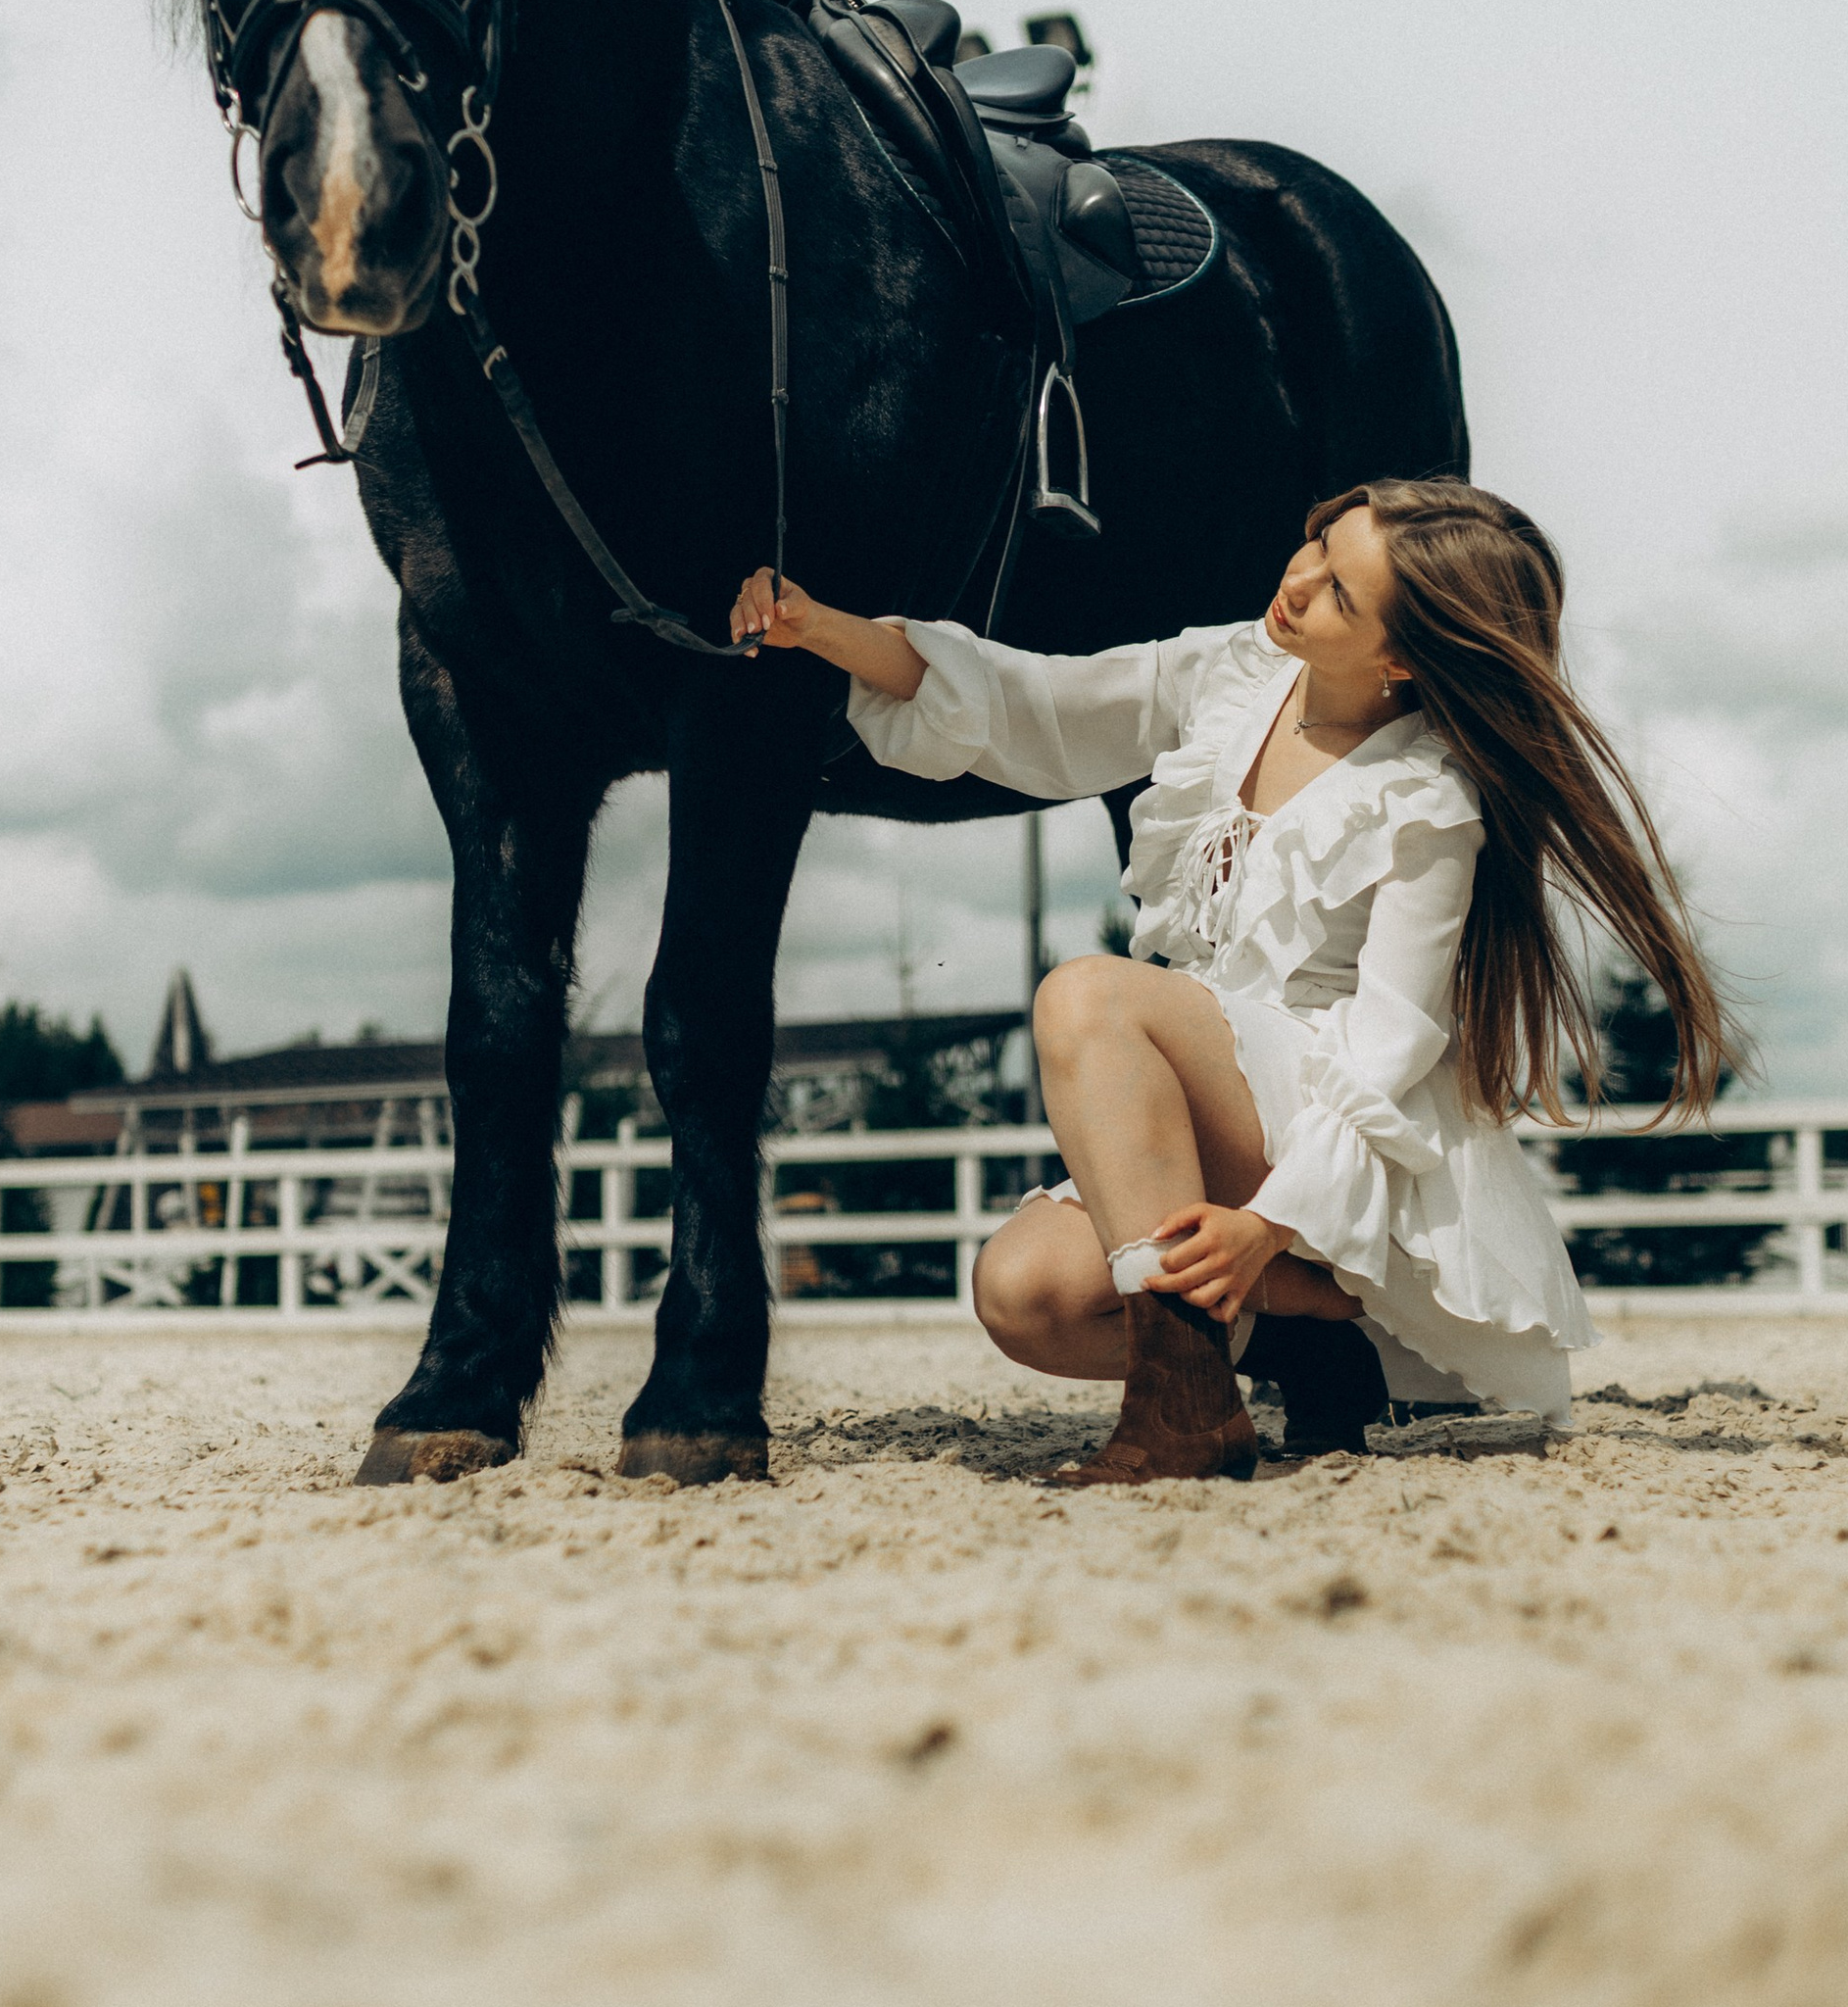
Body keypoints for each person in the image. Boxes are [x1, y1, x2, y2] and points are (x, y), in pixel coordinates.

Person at [731, 479, 1733, 1486]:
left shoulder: (1427, 801)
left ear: (1398, 658)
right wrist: (823, 629)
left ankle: (1186, 1410)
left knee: (1087, 994)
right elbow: (1037, 703)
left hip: (1340, 1136)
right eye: (1317, 544)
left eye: (1339, 591)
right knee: (1025, 1293)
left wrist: (1269, 1223)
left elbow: (1387, 1052)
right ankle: (1316, 1340)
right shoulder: (1239, 670)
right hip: (1218, 1091)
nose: (1298, 580)